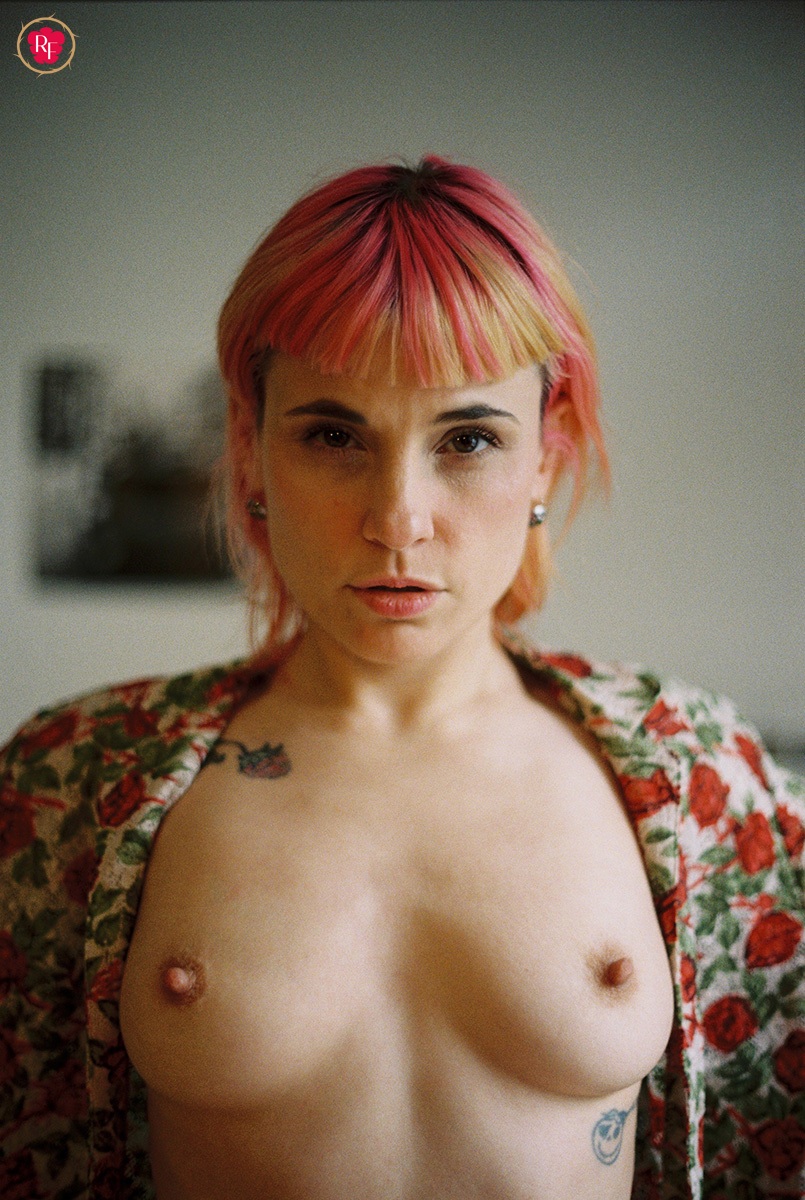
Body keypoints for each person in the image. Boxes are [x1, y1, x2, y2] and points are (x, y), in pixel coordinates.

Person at [0, 157, 802, 1200]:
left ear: (545, 457)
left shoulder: (698, 774)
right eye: (333, 435)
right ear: (249, 448)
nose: (397, 518)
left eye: (467, 438)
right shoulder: (70, 780)